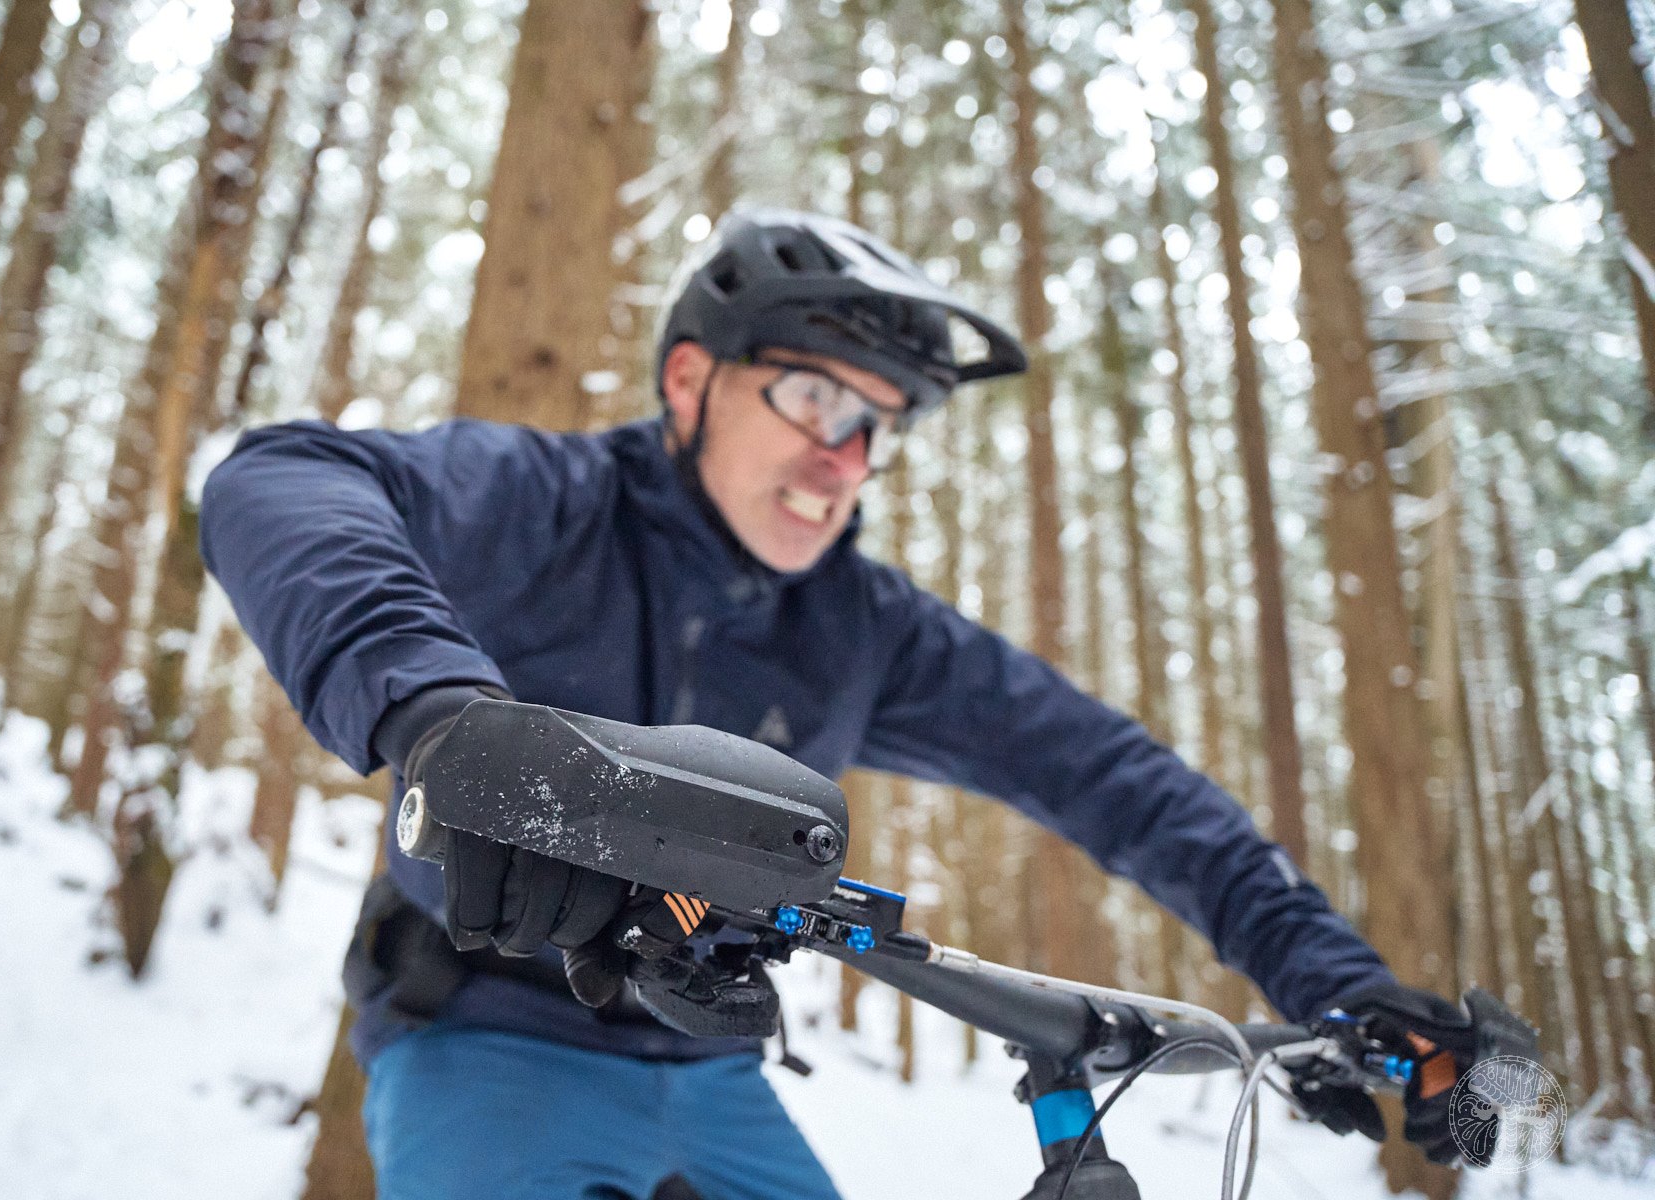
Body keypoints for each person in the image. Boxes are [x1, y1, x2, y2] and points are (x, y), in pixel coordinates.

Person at [200, 208, 1482, 1200]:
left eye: (879, 426)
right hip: (483, 1043)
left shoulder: (863, 628)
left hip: (716, 1069)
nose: (845, 459)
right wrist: (437, 715)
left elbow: (1118, 782)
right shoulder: (551, 505)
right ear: (692, 380)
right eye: (815, 397)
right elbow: (279, 483)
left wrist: (1338, 980)